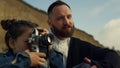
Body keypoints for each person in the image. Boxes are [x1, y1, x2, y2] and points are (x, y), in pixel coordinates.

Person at [47, 1, 120, 68]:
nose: (67, 22)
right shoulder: (37, 40)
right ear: (50, 23)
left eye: (69, 17)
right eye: (60, 18)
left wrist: (99, 66)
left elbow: (113, 55)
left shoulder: (79, 45)